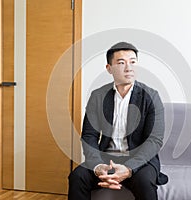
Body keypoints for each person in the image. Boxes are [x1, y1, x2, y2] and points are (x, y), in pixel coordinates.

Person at [68, 42, 168, 200]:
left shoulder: (151, 96)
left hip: (140, 160)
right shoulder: (98, 96)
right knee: (77, 177)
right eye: (121, 63)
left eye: (133, 62)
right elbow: (89, 136)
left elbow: (154, 140)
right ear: (109, 68)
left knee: (145, 182)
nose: (129, 67)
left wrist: (128, 169)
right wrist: (98, 166)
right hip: (106, 159)